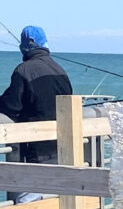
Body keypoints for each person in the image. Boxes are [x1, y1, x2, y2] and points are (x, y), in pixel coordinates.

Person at [0, 26, 73, 204]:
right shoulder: (60, 71)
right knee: (58, 200)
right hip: (62, 149)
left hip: (36, 153)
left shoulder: (23, 70)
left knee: (28, 200)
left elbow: (11, 106)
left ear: (24, 47)